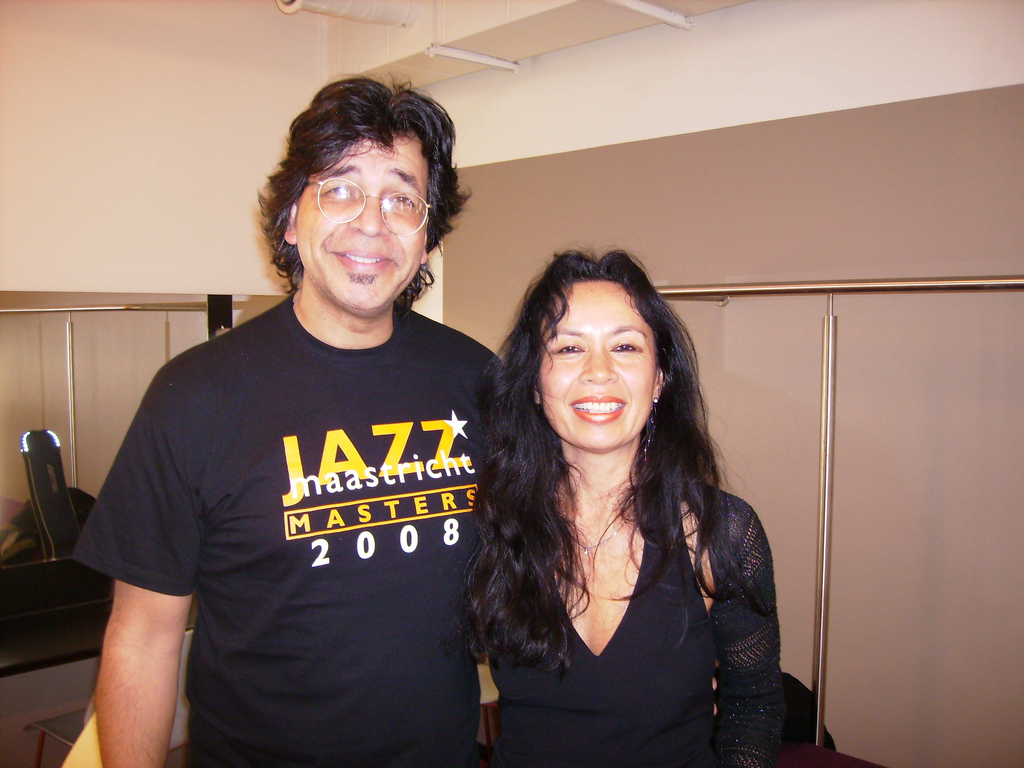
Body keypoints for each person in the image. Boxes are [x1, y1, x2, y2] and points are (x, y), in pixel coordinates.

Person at [74, 77, 492, 767]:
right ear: (292, 220)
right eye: (340, 189)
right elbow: (142, 640)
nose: (372, 222)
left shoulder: (479, 380)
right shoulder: (194, 397)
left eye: (402, 198)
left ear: (425, 239)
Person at [467, 250, 785, 768]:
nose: (599, 372)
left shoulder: (721, 531)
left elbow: (756, 706)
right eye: (569, 347)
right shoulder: (490, 526)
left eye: (625, 346)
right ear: (534, 384)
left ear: (659, 380)